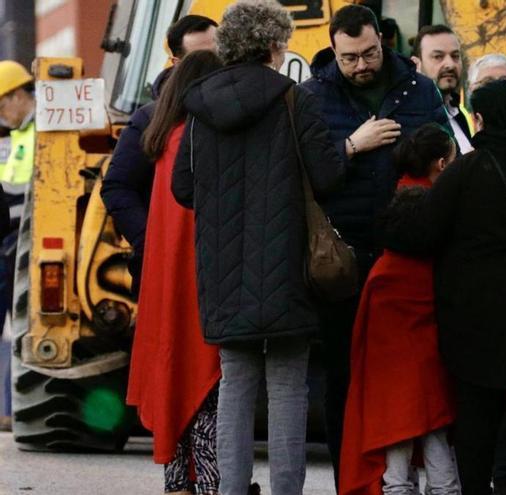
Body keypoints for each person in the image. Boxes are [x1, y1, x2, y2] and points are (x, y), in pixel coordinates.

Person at [170, 1, 344, 493]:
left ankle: (230, 489)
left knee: (235, 383)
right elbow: (327, 176)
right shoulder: (295, 99)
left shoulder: (200, 106)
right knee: (288, 386)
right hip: (286, 262)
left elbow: (183, 187)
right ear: (273, 45)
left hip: (222, 266)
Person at [384, 79, 506, 495]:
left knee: (478, 433)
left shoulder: (467, 172)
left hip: (476, 328)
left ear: (480, 120)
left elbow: (420, 234)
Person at [299, 4, 448, 483]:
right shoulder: (312, 97)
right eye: (349, 58)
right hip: (343, 259)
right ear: (333, 50)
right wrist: (352, 146)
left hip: (408, 259)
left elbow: (441, 157)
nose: (361, 65)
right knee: (343, 374)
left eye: (368, 54)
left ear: (381, 41)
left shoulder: (419, 88)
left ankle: (411, 481)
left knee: (415, 378)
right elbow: (306, 175)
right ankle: (352, 480)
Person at [340, 123, 459, 495]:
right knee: (437, 434)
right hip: (431, 358)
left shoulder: (395, 207)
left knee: (395, 438)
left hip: (387, 364)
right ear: (441, 163)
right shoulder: (441, 212)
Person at [127, 49, 223, 495]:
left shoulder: (163, 138)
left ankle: (177, 482)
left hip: (166, 280)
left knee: (172, 375)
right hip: (200, 278)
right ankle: (205, 483)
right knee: (204, 384)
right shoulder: (201, 139)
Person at [102, 14, 218, 297]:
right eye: (202, 58)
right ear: (178, 64)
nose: (215, 66)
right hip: (169, 267)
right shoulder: (151, 119)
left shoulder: (237, 112)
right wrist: (149, 241)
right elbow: (118, 187)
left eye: (219, 54)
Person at [0, 59, 35, 432]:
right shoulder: (16, 136)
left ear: (16, 94)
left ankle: (10, 410)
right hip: (12, 237)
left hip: (22, 238)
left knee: (19, 325)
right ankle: (7, 409)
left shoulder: (42, 130)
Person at [412, 25, 472, 153]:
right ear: (416, 64)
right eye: (438, 57)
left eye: (455, 56)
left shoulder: (459, 114)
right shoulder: (410, 120)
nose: (450, 65)